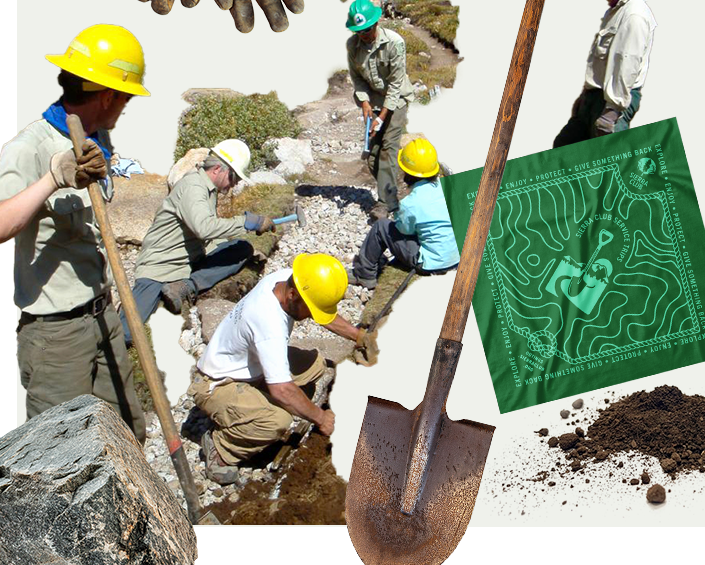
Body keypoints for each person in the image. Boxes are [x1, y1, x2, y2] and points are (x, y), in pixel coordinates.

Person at [0, 24, 149, 442]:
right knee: (62, 453)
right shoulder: (30, 147)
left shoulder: (96, 139)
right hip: (56, 337)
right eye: (125, 98)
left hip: (103, 315)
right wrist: (53, 177)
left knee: (127, 434)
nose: (125, 108)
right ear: (107, 96)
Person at [190, 253, 370, 482]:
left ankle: (254, 404)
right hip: (217, 383)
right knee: (278, 421)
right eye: (310, 310)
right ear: (293, 295)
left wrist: (359, 336)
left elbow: (320, 311)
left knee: (315, 366)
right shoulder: (269, 323)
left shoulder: (290, 280)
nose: (311, 316)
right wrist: (321, 419)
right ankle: (221, 448)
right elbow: (282, 389)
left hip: (248, 363)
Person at [120, 140, 276, 344]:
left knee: (241, 248)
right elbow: (204, 228)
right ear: (218, 169)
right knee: (127, 332)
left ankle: (185, 286)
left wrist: (241, 235)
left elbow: (208, 235)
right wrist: (245, 223)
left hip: (189, 261)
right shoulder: (193, 187)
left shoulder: (207, 189)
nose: (235, 184)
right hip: (160, 268)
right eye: (234, 177)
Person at [554, 0, 657, 147]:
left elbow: (626, 65)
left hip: (613, 101)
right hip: (595, 97)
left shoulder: (634, 16)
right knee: (565, 145)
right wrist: (585, 97)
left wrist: (612, 112)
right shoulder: (617, 10)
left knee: (609, 157)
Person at [348, 138, 459, 289]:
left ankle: (364, 274)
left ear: (407, 172)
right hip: (456, 257)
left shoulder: (410, 203)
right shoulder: (446, 188)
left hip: (433, 264)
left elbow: (404, 230)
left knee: (381, 227)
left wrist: (395, 209)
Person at [346, 0, 416, 220]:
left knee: (387, 149)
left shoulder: (395, 43)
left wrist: (382, 117)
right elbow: (357, 78)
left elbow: (396, 84)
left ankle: (385, 204)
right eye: (359, 31)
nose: (363, 35)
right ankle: (392, 191)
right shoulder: (352, 45)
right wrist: (365, 103)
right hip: (373, 101)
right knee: (372, 155)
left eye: (367, 29)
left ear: (376, 23)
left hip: (397, 100)